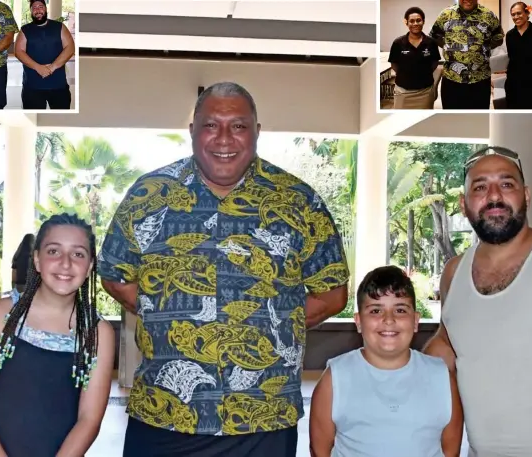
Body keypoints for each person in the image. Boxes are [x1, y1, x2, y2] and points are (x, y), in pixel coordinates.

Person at [99, 81, 350, 457]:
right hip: (165, 413)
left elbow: (332, 294)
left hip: (263, 417)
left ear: (257, 132)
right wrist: (165, 309)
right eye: (211, 125)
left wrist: (274, 324)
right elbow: (115, 274)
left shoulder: (298, 202)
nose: (224, 138)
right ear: (192, 131)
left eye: (238, 125)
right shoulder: (149, 194)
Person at [423, 146, 532, 456]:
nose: (494, 196)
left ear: (526, 195)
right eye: (480, 187)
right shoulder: (453, 272)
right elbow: (446, 347)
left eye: (506, 184)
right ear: (463, 204)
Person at [0, 214, 115, 457]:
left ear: (90, 266)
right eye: (54, 251)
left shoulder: (97, 334)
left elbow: (89, 420)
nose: (66, 263)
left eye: (78, 254)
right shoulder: (0, 315)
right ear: (37, 260)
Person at [309, 266, 463, 457]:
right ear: (358, 322)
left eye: (400, 310)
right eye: (375, 310)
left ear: (415, 321)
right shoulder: (335, 379)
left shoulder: (441, 378)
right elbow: (319, 450)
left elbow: (451, 450)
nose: (388, 320)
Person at [430, 0, 504, 109]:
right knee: (453, 119)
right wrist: (450, 47)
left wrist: (482, 48)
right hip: (452, 80)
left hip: (480, 80)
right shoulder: (446, 14)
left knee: (478, 119)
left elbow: (498, 38)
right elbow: (434, 36)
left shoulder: (489, 15)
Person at [15, 0, 75, 110]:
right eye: (34, 8)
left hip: (58, 86)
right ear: (31, 11)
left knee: (60, 121)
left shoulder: (59, 27)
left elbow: (70, 48)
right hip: (32, 87)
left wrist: (52, 67)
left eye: (40, 6)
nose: (38, 10)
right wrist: (38, 68)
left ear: (46, 8)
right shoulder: (25, 30)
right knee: (34, 119)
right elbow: (19, 51)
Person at [388, 7, 441, 109]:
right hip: (403, 92)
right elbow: (394, 64)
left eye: (418, 20)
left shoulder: (431, 42)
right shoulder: (398, 43)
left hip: (425, 92)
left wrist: (423, 73)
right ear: (406, 23)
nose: (415, 23)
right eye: (411, 21)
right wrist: (406, 74)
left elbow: (435, 63)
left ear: (423, 22)